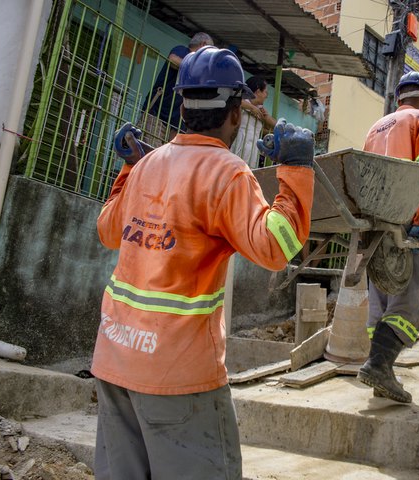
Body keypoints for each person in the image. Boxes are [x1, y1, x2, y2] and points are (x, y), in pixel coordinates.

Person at [93, 46, 315, 479]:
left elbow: (107, 230)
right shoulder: (228, 172)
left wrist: (128, 169)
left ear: (181, 105)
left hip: (114, 358)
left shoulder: (147, 164)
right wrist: (296, 171)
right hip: (177, 372)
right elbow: (275, 246)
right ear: (235, 114)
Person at [357, 71, 419, 403]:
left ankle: (379, 368)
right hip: (409, 218)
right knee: (413, 294)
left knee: (381, 294)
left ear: (398, 98)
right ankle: (379, 365)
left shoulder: (376, 126)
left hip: (376, 221)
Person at [139, 32, 213, 146]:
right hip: (157, 115)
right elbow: (173, 59)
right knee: (149, 152)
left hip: (176, 125)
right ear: (203, 44)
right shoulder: (183, 51)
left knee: (166, 160)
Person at [231, 75, 278, 168]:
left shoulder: (261, 111)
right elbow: (234, 100)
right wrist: (251, 108)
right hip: (236, 151)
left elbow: (275, 125)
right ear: (258, 91)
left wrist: (266, 116)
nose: (266, 96)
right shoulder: (241, 103)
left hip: (252, 155)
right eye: (265, 92)